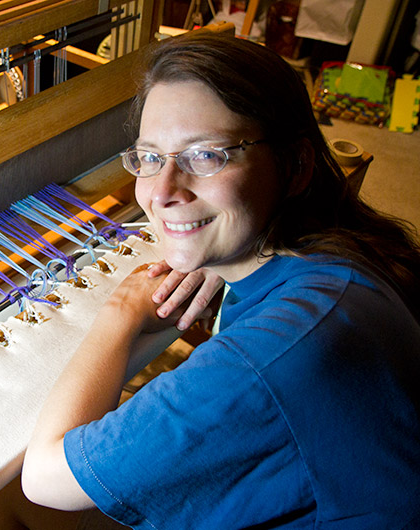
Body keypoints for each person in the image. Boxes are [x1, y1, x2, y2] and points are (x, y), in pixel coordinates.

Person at [21, 31, 420, 529]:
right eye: (149, 157)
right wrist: (218, 255)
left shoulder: (262, 362)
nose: (163, 191)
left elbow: (44, 478)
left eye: (206, 155)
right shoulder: (333, 254)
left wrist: (120, 313)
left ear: (296, 167)